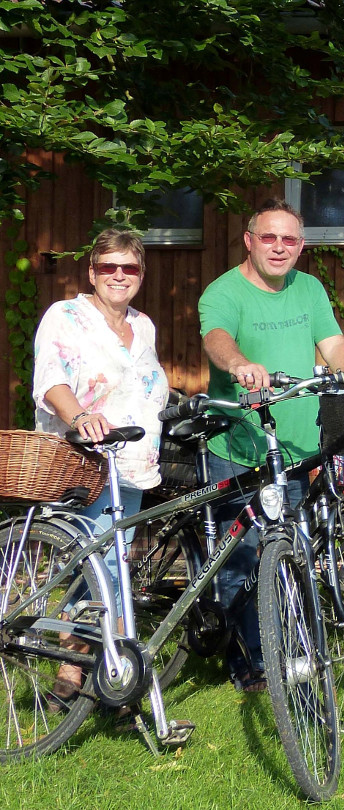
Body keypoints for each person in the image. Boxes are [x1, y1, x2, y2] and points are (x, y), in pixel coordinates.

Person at [198, 198, 344, 692]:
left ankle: (287, 645)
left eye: (289, 239)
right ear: (249, 241)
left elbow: (333, 345)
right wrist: (240, 364)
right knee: (242, 555)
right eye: (268, 237)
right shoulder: (223, 291)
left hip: (293, 447)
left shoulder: (308, 288)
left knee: (288, 548)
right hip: (237, 445)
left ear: (301, 246)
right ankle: (248, 659)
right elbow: (217, 338)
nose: (278, 247)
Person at [33, 228, 170, 702]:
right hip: (83, 459)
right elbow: (51, 379)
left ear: (140, 275)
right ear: (91, 272)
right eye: (108, 266)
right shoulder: (66, 316)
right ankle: (74, 666)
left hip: (132, 463)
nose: (118, 275)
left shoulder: (144, 325)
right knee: (98, 566)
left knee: (114, 565)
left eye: (128, 268)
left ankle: (101, 667)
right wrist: (81, 417)